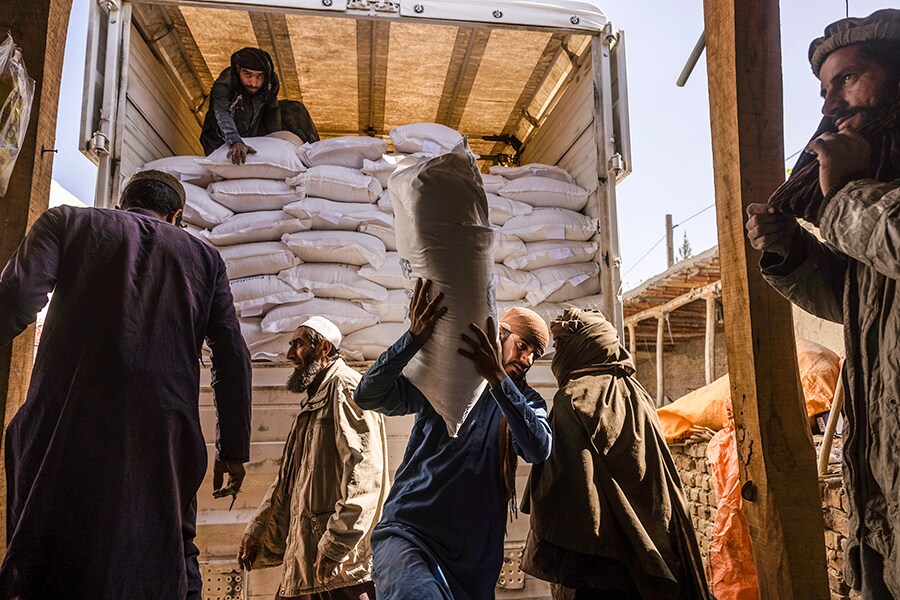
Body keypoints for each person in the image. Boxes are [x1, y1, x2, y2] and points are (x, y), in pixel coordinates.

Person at [0, 170, 252, 599]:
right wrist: (233, 450)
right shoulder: (206, 260)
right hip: (163, 436)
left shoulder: (68, 222)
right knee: (167, 547)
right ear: (176, 216)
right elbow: (231, 355)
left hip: (64, 423)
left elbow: (18, 298)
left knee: (46, 545)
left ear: (120, 204)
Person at [744, 9, 900, 598]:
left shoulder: (869, 191)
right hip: (882, 510)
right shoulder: (879, 184)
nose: (831, 103)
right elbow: (864, 307)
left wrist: (848, 199)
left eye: (849, 79)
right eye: (823, 89)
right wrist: (793, 256)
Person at [354, 279, 552, 600]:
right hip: (411, 538)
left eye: (536, 354)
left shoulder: (523, 401)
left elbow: (537, 447)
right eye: (523, 345)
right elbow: (369, 395)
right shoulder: (448, 379)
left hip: (473, 565)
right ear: (499, 336)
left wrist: (498, 378)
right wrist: (414, 339)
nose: (528, 359)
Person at [521, 308, 708, 600]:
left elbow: (559, 492)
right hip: (651, 551)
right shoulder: (637, 393)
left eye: (561, 346)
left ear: (577, 348)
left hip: (596, 564)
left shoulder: (573, 397)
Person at [238, 316, 389, 600]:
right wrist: (258, 529)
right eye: (291, 345)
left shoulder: (344, 388)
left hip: (338, 569)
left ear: (324, 348)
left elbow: (365, 474)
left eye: (299, 344)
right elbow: (289, 481)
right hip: (308, 562)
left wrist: (336, 545)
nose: (290, 353)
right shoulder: (314, 399)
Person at [200, 47, 283, 163]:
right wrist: (235, 141)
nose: (254, 83)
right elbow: (222, 113)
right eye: (248, 75)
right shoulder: (224, 84)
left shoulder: (270, 83)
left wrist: (277, 141)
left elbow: (272, 109)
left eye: (260, 76)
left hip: (251, 133)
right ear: (238, 69)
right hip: (218, 138)